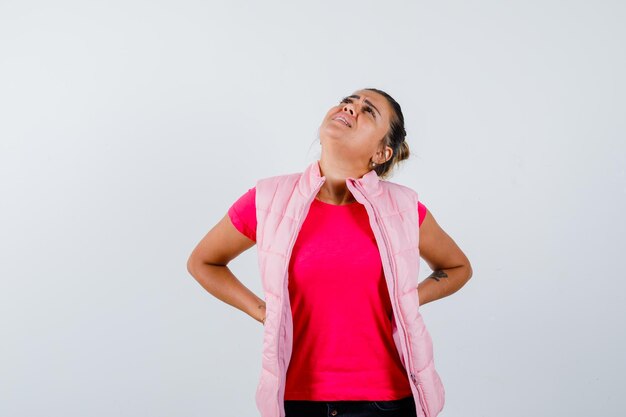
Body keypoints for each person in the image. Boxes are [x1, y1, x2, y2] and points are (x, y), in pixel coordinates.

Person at [187, 88, 473, 417]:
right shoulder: (269, 199)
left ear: (382, 152)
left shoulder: (405, 209)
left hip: (388, 402)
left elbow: (457, 266)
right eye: (348, 102)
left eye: (368, 111)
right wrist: (265, 311)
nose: (350, 109)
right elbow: (204, 262)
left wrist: (407, 297)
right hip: (298, 400)